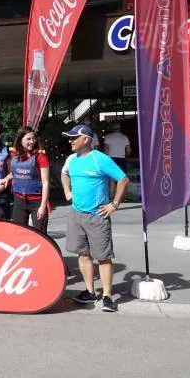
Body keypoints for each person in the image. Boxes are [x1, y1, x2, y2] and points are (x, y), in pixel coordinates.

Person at [61, 124, 129, 313]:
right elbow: (64, 173)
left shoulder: (101, 159)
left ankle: (107, 296)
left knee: (104, 257)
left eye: (74, 138)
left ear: (86, 140)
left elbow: (123, 179)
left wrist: (114, 204)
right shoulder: (71, 159)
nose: (70, 141)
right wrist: (67, 191)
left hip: (97, 216)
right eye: (70, 138)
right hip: (76, 215)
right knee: (83, 255)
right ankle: (90, 291)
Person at [0, 126, 50, 232]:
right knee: (19, 233)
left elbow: (45, 182)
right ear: (20, 139)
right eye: (28, 139)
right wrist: (6, 178)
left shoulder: (40, 157)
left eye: (34, 138)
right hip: (19, 200)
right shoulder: (15, 156)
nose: (32, 141)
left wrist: (43, 206)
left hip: (37, 201)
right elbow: (16, 173)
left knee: (40, 234)